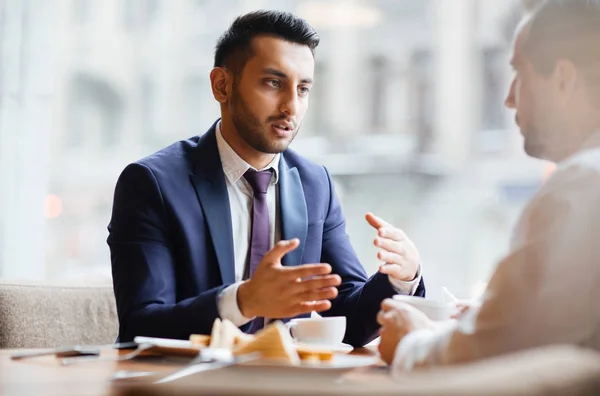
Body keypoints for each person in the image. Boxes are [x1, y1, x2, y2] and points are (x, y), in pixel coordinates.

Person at [108, 10, 425, 346]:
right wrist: (243, 302)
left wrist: (401, 277)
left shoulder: (315, 185)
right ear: (222, 85)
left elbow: (349, 318)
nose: (292, 106)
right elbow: (139, 327)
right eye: (274, 83)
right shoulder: (152, 184)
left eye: (303, 89)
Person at [377, 0, 600, 371]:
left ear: (563, 79)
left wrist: (411, 342)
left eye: (519, 73)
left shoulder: (581, 187)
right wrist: (491, 315)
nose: (509, 97)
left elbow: (501, 354)